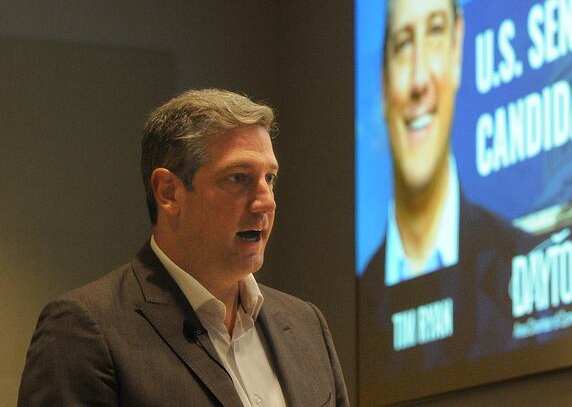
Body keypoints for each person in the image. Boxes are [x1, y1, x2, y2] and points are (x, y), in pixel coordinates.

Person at [18, 89, 349, 406]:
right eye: (238, 178)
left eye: (270, 179)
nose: (265, 202)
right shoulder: (84, 330)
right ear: (169, 192)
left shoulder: (307, 325)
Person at [358, 0, 530, 402]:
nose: (418, 81)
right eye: (402, 44)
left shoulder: (524, 268)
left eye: (434, 33)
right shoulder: (348, 315)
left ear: (457, 48)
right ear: (383, 80)